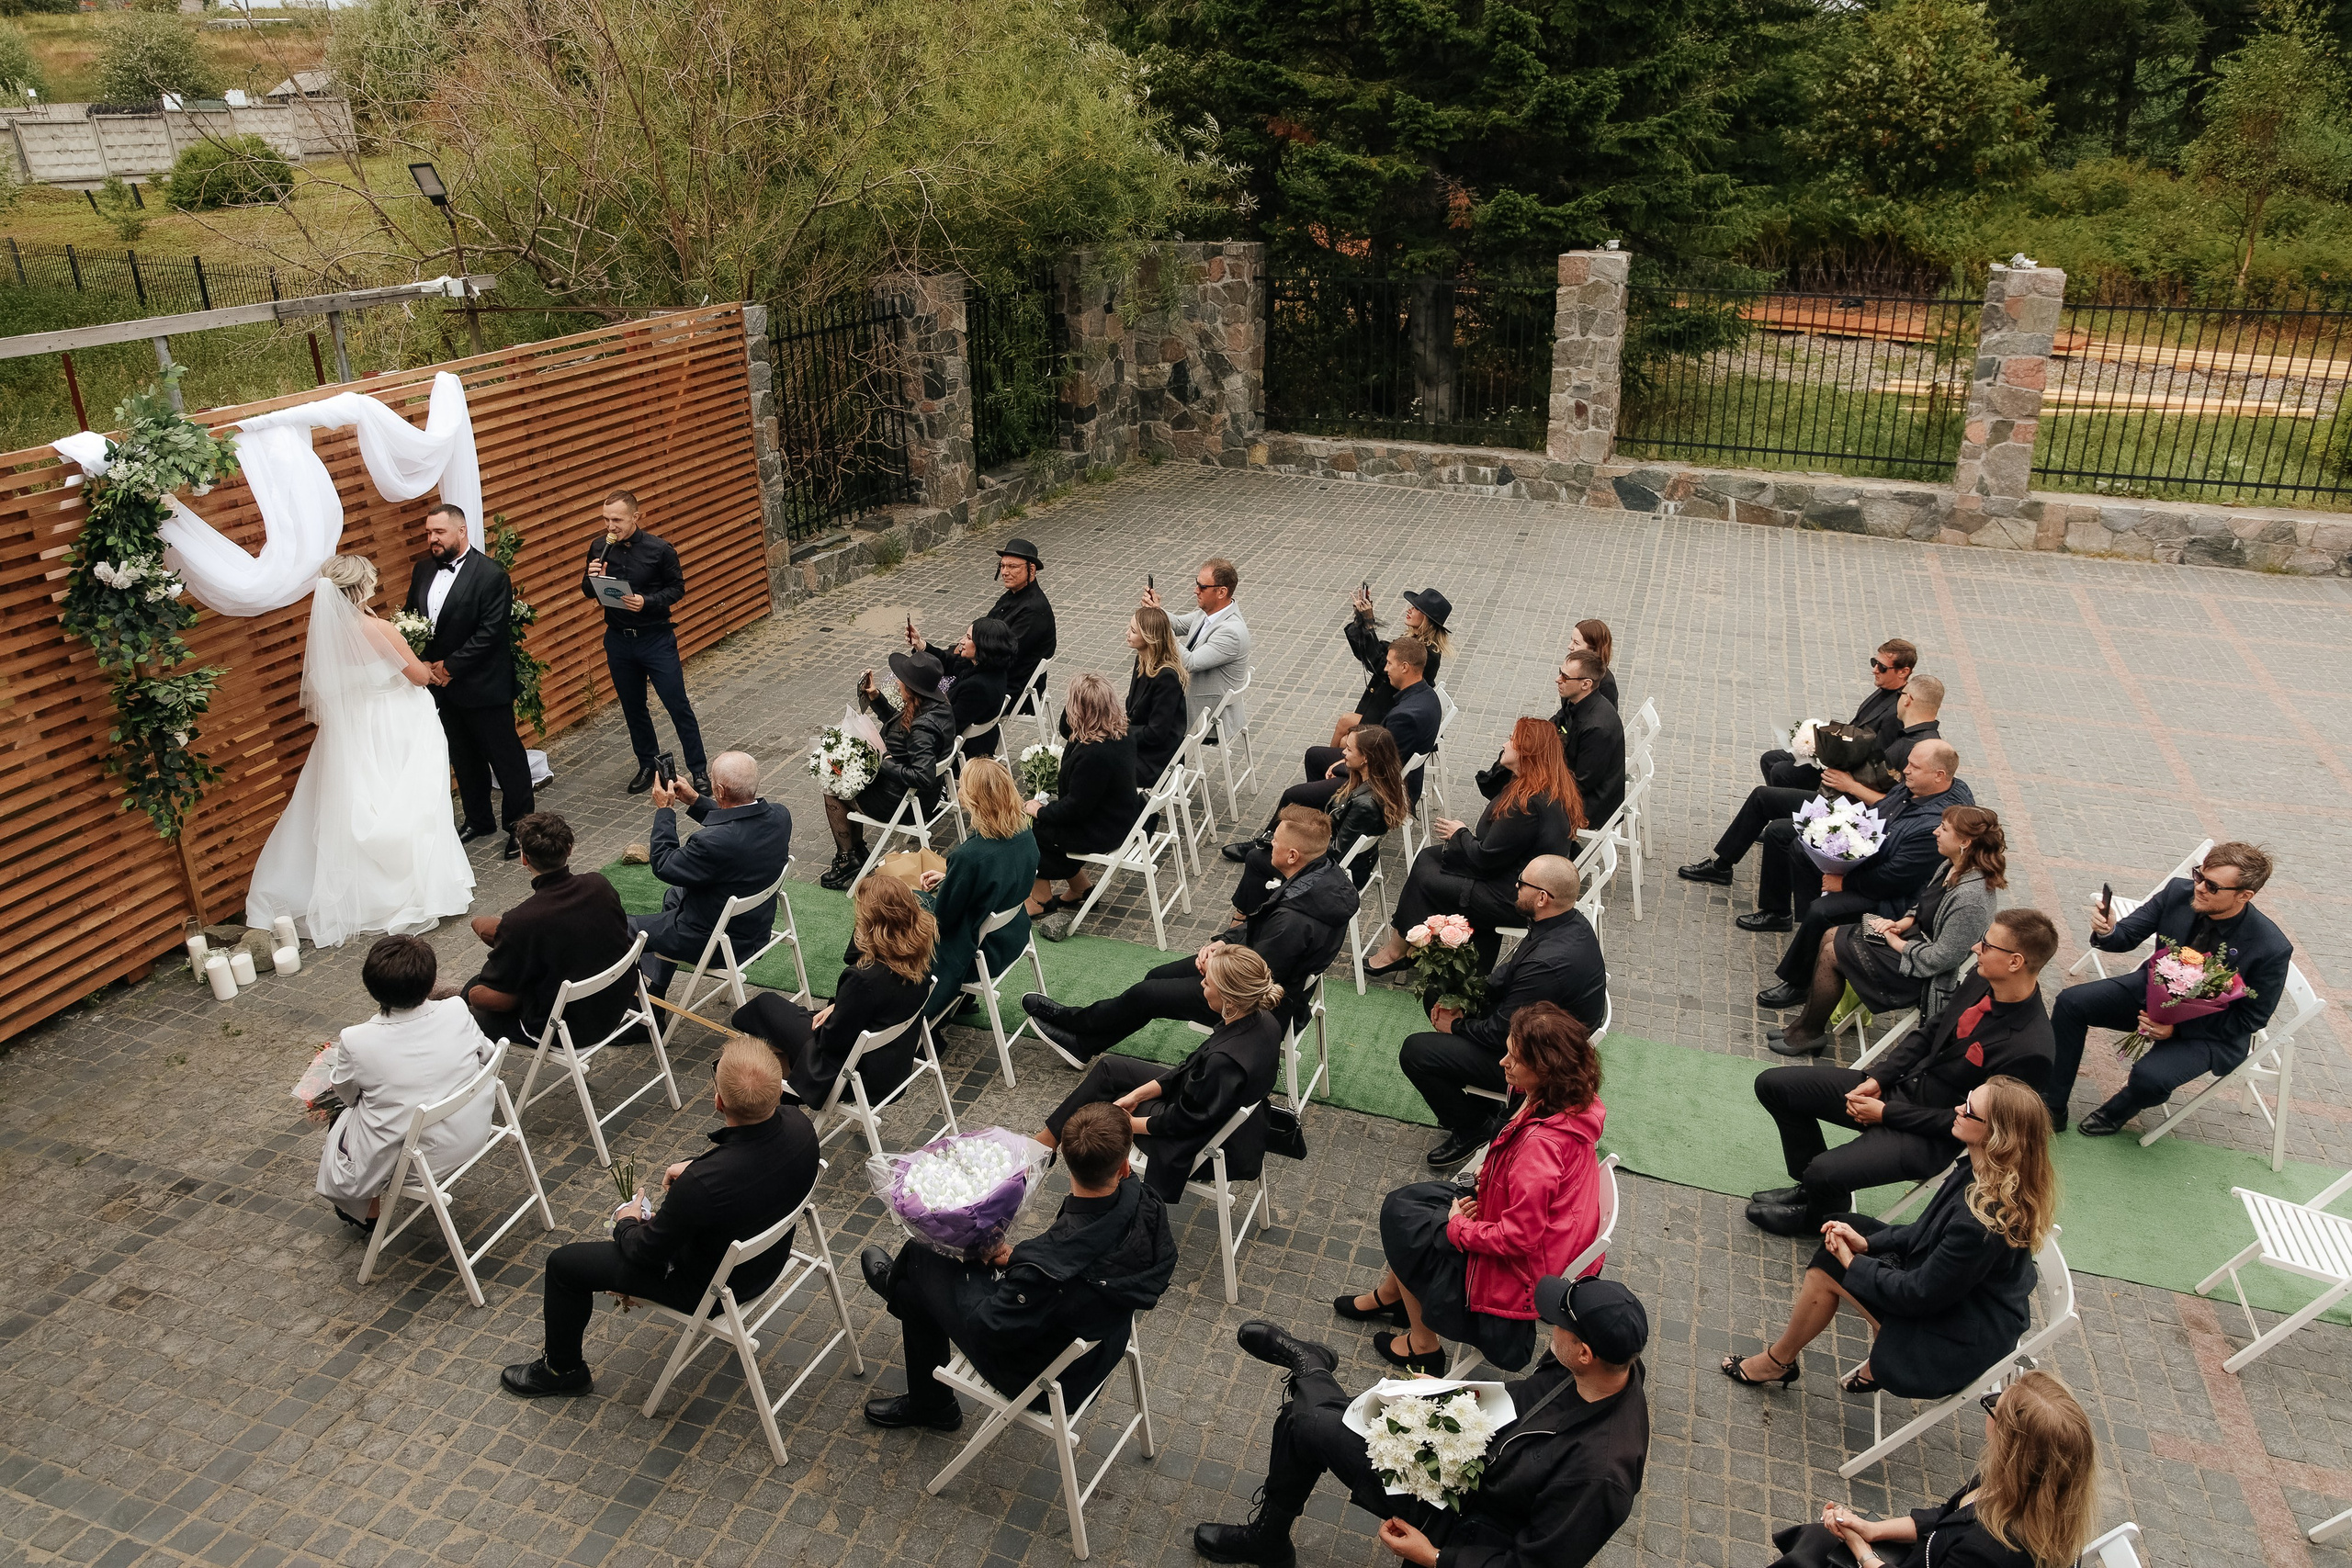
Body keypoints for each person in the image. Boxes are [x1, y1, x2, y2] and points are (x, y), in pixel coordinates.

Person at [1194, 1277, 1650, 1568]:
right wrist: (1443, 1395)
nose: (1549, 1329)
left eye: (1559, 1326)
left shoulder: (1600, 1475)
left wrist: (1434, 1556)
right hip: (1462, 1454)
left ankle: (1311, 1370)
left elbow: (1533, 1566)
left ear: (1586, 1353)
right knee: (1307, 1421)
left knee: (1305, 1420)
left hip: (1465, 1522)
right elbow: (1520, 1402)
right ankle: (1270, 1537)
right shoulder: (1598, 1370)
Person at [500, 1036, 820, 1398]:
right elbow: (754, 1161)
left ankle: (562, 1371)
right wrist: (699, 1166)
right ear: (777, 1093)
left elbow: (644, 1252)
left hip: (712, 1289)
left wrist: (626, 1220)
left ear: (717, 1101)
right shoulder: (801, 1125)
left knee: (563, 1265)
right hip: (768, 1261)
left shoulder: (701, 1186)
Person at [1722, 1076, 2053, 1398]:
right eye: (1966, 1099)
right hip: (1964, 1299)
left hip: (1952, 1340)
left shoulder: (1982, 1221)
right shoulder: (1985, 1170)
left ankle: (1778, 1362)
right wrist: (1868, 1244)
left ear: (1997, 1135)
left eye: (1968, 1109)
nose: (1957, 1108)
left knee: (1830, 1263)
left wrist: (1853, 1264)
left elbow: (1917, 1294)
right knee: (1846, 1225)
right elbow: (1924, 1232)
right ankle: (1838, 1350)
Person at [856, 1100, 1178, 1431]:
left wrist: (977, 1258)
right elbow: (1075, 1255)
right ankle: (909, 1308)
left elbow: (989, 1327)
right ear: (1125, 1167)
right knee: (917, 1284)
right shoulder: (1147, 1204)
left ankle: (927, 1388)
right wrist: (1024, 1258)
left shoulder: (1047, 1272)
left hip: (1048, 1375)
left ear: (1066, 1162)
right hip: (1105, 1341)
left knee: (923, 1256)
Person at [1747, 913, 2060, 1236]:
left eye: (1987, 944)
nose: (1975, 947)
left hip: (1931, 1135)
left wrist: (1886, 1113)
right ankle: (1816, 1191)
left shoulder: (2032, 1049)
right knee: (1773, 1085)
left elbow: (1983, 1126)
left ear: (2015, 962)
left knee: (1824, 1170)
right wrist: (1879, 1078)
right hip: (1897, 1088)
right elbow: (1929, 1033)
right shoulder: (1984, 978)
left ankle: (1816, 1218)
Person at [1345, 1003, 1609, 1374]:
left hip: (1521, 1271)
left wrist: (1460, 1228)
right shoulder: (1572, 1100)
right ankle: (1392, 1297)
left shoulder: (1540, 1149)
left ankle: (1423, 1346)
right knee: (1407, 1206)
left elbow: (1518, 1239)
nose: (1503, 1063)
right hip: (1548, 1236)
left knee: (1405, 1220)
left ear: (1546, 1070)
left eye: (1515, 1059)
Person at [246, 555, 475, 946]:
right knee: (411, 798)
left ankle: (355, 891)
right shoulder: (379, 628)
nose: (375, 581)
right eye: (372, 577)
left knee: (355, 801)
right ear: (359, 588)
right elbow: (419, 677)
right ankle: (412, 890)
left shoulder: (326, 634)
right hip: (397, 724)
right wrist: (421, 660)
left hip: (352, 728)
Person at [1022, 807, 1358, 1061]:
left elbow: (1251, 978)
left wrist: (1218, 962)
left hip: (1250, 1002)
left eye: (1275, 842)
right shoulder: (1323, 875)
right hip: (1255, 969)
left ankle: (1074, 1023)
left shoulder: (1294, 919)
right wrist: (1221, 943)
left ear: (1292, 856)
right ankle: (1084, 1044)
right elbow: (1258, 935)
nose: (1269, 845)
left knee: (1147, 995)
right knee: (1155, 976)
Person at [2044, 840, 2294, 1135]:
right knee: (2071, 1003)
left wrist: (2176, 1031)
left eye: (2212, 887)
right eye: (2199, 876)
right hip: (2152, 992)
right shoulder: (2179, 892)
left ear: (2244, 895)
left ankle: (2119, 1110)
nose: (2199, 888)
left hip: (2211, 1029)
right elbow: (2126, 936)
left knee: (2150, 1079)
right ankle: (2053, 1106)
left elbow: (2250, 1019)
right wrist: (2109, 930)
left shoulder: (2271, 948)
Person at [1767, 1369, 2098, 1568]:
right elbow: (1942, 1516)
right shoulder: (2028, 1486)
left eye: (1994, 1405)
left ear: (2013, 1445)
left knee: (1812, 1553)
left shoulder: (1988, 1552)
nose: (1989, 1406)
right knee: (1818, 1539)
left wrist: (1861, 1550)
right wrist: (1871, 1530)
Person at [1034, 945, 1286, 1205]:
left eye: (1208, 983)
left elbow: (1182, 1122)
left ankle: (1108, 1200)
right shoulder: (1263, 1019)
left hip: (1204, 1143)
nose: (1201, 985)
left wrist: (1127, 1124)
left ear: (1230, 999)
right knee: (1111, 1070)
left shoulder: (1223, 1062)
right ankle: (1046, 1142)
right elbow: (1191, 1068)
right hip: (1216, 1111)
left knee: (1111, 1102)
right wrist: (1138, 1093)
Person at [1400, 856, 1608, 1166]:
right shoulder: (1566, 921)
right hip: (1535, 1029)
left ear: (1542, 898)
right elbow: (1508, 974)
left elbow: (1503, 1034)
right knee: (1439, 995)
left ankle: (1475, 1127)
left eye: (1522, 882)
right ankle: (1476, 1101)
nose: (1515, 885)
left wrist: (1455, 1028)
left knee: (1416, 1052)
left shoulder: (1547, 965)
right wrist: (1464, 996)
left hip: (1539, 1064)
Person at [1768, 804, 2007, 1058]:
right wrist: (1900, 924)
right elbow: (1923, 905)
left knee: (1833, 953)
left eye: (1944, 829)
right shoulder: (1953, 865)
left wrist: (1894, 941)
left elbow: (1940, 960)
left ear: (1964, 842)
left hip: (1921, 972)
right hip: (1911, 942)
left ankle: (1809, 1033)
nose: (1936, 832)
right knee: (1831, 934)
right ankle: (1804, 1026)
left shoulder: (1971, 898)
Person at [1750, 741, 1973, 1008]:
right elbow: (1881, 814)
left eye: (1915, 766)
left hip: (1894, 898)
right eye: (1908, 763)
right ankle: (1805, 930)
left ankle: (1798, 983)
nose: (1906, 770)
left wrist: (1844, 882)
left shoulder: (1931, 825)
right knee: (1800, 847)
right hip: (1871, 863)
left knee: (1824, 910)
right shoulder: (1918, 787)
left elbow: (1896, 879)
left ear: (1940, 776)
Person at [1679, 675, 1943, 892]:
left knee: (1776, 824)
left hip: (1852, 813)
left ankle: (1771, 905)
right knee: (1767, 792)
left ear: (1908, 699)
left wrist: (1849, 784)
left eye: (1901, 694)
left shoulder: (1918, 749)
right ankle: (1723, 866)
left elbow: (1898, 806)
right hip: (1844, 796)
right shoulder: (1918, 739)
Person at [1363, 717, 1583, 975]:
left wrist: (1460, 834)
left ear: (1527, 752)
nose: (1504, 743)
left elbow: (1485, 858)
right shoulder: (1544, 783)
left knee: (1426, 877)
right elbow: (1488, 788)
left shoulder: (1527, 804)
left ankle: (1399, 950)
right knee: (1428, 856)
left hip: (1513, 895)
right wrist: (1507, 765)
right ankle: (1411, 946)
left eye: (1511, 740)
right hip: (1514, 874)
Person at [314, 935, 497, 1232]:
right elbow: (487, 1054)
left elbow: (347, 1094)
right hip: (474, 1130)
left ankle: (367, 1211)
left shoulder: (357, 1039)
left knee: (343, 1117)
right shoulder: (455, 1010)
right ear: (430, 982)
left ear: (372, 987)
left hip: (418, 1161)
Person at [1224, 637, 1437, 862]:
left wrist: (1345, 767)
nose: (1385, 669)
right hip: (1377, 767)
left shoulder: (1406, 715)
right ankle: (1324, 823)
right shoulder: (1425, 695)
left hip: (1375, 784)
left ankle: (1267, 845)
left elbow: (1381, 765)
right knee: (1315, 756)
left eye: (1390, 663)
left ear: (1405, 667)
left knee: (1293, 795)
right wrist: (1345, 761)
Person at [730, 876, 935, 1108]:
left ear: (870, 923)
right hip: (891, 1064)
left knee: (766, 1005)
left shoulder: (862, 978)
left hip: (852, 1073)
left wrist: (832, 1014)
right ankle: (781, 1088)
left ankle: (751, 1068)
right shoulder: (921, 956)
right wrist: (838, 1006)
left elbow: (832, 1040)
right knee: (789, 1018)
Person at [402, 502, 534, 859]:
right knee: (463, 755)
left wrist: (450, 667)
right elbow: (413, 619)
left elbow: (490, 633)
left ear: (461, 531)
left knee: (505, 757)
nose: (432, 538)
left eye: (439, 532)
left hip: (483, 683)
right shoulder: (421, 570)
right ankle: (479, 819)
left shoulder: (491, 575)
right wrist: (423, 663)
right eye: (429, 532)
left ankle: (521, 827)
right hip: (440, 685)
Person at [461, 812, 633, 1046]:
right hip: (617, 1002)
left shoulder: (522, 921)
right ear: (570, 848)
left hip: (567, 1029)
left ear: (524, 858)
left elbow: (491, 994)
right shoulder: (599, 884)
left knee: (470, 996)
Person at [631, 751, 792, 998]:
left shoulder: (712, 842)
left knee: (623, 926)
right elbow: (738, 821)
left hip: (718, 942)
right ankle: (657, 994)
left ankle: (630, 1008)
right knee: (674, 895)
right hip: (755, 927)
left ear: (719, 790)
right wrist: (696, 800)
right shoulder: (780, 816)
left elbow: (664, 864)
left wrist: (665, 810)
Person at [582, 489, 708, 796]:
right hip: (618, 640)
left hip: (655, 638)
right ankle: (648, 765)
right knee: (633, 707)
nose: (610, 526)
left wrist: (647, 601)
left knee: (677, 705)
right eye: (606, 519)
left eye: (617, 520)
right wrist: (591, 577)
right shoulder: (599, 547)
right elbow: (589, 590)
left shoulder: (659, 549)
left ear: (636, 517)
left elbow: (677, 588)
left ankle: (699, 770)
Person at [910, 758, 1040, 1024]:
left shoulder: (969, 856)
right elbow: (1000, 873)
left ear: (972, 799)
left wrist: (917, 897)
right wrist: (950, 877)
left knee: (896, 904)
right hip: (1013, 933)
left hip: (977, 950)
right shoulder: (1025, 833)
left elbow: (942, 920)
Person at [1230, 725, 1407, 919]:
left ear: (1366, 758)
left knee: (1256, 858)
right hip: (1355, 862)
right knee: (1267, 850)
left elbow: (1338, 852)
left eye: (1349, 749)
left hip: (1341, 872)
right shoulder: (1369, 782)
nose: (1343, 752)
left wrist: (1296, 843)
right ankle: (1255, 916)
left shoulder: (1365, 804)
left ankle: (1243, 920)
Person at [819, 649, 957, 890]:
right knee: (848, 777)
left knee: (833, 785)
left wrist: (883, 762)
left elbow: (922, 776)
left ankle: (846, 858)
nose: (898, 681)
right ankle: (857, 851)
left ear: (912, 688)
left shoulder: (923, 728)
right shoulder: (936, 706)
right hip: (916, 795)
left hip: (902, 802)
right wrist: (875, 697)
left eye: (902, 679)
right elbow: (899, 724)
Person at [1027, 673, 1144, 939]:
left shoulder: (1095, 754)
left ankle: (1041, 898)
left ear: (1078, 710)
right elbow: (1066, 731)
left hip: (1101, 829)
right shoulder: (1119, 733)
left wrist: (1039, 810)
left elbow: (1074, 809)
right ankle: (1081, 888)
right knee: (1043, 821)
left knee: (1033, 829)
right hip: (1118, 816)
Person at [911, 537, 1056, 723]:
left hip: (1007, 687)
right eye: (1002, 566)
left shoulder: (1034, 611)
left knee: (915, 684)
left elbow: (999, 656)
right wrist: (926, 647)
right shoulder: (1012, 595)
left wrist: (957, 654)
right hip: (983, 672)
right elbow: (983, 636)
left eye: (1012, 567)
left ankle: (910, 732)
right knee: (913, 673)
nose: (1005, 572)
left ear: (1031, 569)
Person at [1754, 637, 1917, 793]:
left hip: (1848, 771)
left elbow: (1878, 757)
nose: (1874, 670)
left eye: (1882, 667)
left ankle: (1789, 811)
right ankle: (1779, 807)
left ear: (1903, 672)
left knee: (1781, 771)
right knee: (1770, 759)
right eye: (1874, 663)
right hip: (1839, 755)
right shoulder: (1884, 689)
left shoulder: (1897, 710)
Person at [1329, 584, 1451, 745]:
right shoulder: (1413, 640)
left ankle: (1329, 767)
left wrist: (1369, 624)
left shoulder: (1427, 653)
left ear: (1427, 619)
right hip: (1386, 708)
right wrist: (1362, 620)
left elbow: (1380, 667)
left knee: (1345, 730)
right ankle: (1334, 766)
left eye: (1416, 609)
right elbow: (1375, 654)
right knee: (1346, 737)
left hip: (1395, 718)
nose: (1409, 610)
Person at [1146, 557, 1251, 732]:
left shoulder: (1231, 633)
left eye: (1202, 587)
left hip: (1207, 717)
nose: (1196, 590)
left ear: (1221, 592)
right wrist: (1156, 610)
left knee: (1144, 723)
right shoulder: (1209, 614)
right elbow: (1178, 624)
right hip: (1198, 705)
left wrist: (1161, 627)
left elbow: (1189, 662)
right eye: (1197, 583)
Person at [921, 616, 1015, 760]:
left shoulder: (977, 687)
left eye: (969, 638)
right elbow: (950, 663)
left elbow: (947, 725)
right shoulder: (989, 667)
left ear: (984, 645)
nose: (962, 641)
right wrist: (921, 645)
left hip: (961, 754)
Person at [1125, 604, 1191, 785]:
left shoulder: (1167, 677)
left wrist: (1117, 733)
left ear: (1149, 638)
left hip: (1157, 761)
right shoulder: (1141, 659)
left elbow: (1156, 733)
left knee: (1096, 762)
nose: (1127, 633)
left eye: (1133, 631)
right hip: (1142, 747)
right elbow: (1132, 709)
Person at [1570, 618, 1621, 711]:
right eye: (1571, 640)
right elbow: (1566, 710)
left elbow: (1606, 718)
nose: (1570, 646)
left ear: (1593, 650)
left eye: (1576, 643)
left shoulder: (1606, 684)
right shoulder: (1572, 669)